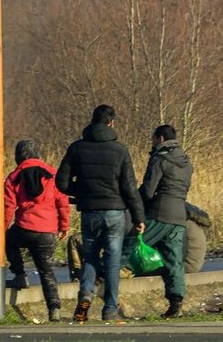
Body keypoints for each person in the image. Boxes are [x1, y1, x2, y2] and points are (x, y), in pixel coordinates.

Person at [56, 104, 145, 322]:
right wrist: (139, 217)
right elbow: (130, 188)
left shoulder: (76, 148)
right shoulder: (120, 151)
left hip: (90, 212)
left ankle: (85, 297)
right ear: (112, 122)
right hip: (115, 212)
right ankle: (110, 309)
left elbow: (61, 182)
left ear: (92, 121)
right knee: (113, 261)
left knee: (90, 257)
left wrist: (83, 191)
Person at [120, 125, 193, 318]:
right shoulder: (186, 161)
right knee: (173, 261)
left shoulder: (159, 159)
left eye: (153, 139)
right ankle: (176, 304)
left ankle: (99, 282)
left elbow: (148, 191)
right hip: (179, 216)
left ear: (160, 139)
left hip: (160, 213)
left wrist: (133, 202)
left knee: (129, 246)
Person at [4, 139, 70, 322]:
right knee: (46, 270)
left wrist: (1, 229)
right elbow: (62, 203)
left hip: (24, 228)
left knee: (8, 241)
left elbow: (8, 207)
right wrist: (63, 226)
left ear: (19, 156)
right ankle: (54, 308)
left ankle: (19, 274)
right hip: (48, 231)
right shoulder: (52, 174)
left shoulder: (14, 177)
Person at [66, 202, 210, 281]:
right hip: (187, 265)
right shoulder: (185, 219)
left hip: (175, 266)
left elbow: (138, 244)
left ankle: (82, 281)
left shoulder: (168, 220)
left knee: (77, 241)